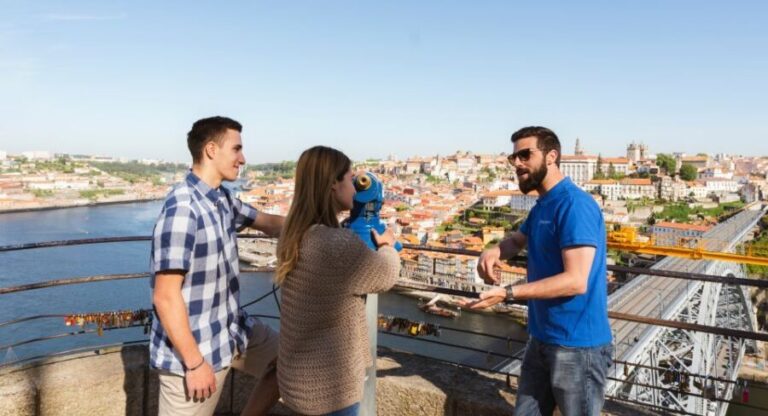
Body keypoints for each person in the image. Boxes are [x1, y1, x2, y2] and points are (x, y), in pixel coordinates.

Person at [466, 126, 613, 416]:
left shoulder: (574, 205)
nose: (517, 163)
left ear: (551, 156)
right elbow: (518, 241)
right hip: (541, 338)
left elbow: (575, 281)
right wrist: (494, 250)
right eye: (513, 157)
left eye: (525, 154)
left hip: (578, 346)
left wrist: (507, 293)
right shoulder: (543, 205)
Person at [150, 116, 285, 416]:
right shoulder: (183, 210)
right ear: (211, 150)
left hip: (233, 332)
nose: (243, 158)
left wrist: (323, 227)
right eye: (236, 149)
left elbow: (269, 224)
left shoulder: (222, 199)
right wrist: (195, 363)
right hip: (196, 351)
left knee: (290, 362)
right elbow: (164, 296)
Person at [275, 146, 401, 416]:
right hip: (331, 390)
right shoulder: (336, 244)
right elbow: (386, 275)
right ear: (333, 184)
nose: (355, 189)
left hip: (295, 381)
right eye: (350, 178)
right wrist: (389, 246)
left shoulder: (295, 234)